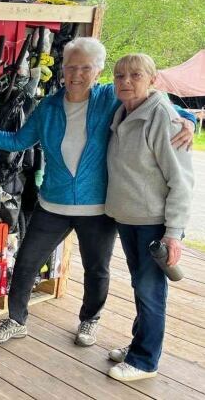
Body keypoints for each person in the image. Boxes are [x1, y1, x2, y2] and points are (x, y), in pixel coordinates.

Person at [0, 37, 195, 347]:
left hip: (98, 208)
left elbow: (154, 102)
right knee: (26, 262)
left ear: (98, 71)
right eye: (70, 67)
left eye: (85, 68)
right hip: (53, 204)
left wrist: (187, 120)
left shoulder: (110, 97)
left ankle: (89, 319)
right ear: (62, 70)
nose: (76, 75)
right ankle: (16, 320)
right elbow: (17, 141)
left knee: (96, 269)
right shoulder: (49, 106)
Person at [104, 53, 194, 381]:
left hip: (153, 222)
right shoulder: (124, 110)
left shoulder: (163, 118)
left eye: (135, 75)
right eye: (119, 75)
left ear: (152, 80)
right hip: (130, 217)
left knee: (150, 289)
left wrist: (174, 233)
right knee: (141, 286)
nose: (126, 81)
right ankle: (139, 344)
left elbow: (181, 181)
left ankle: (145, 361)